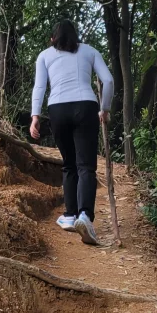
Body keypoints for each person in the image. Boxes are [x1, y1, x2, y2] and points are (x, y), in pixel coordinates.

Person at [29, 19, 113, 246]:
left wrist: (35, 116)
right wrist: (104, 109)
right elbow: (108, 80)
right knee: (86, 165)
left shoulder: (45, 55)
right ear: (76, 37)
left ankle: (69, 215)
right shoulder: (89, 51)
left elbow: (39, 87)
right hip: (86, 106)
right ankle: (85, 216)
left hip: (57, 109)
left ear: (52, 39)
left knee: (68, 164)